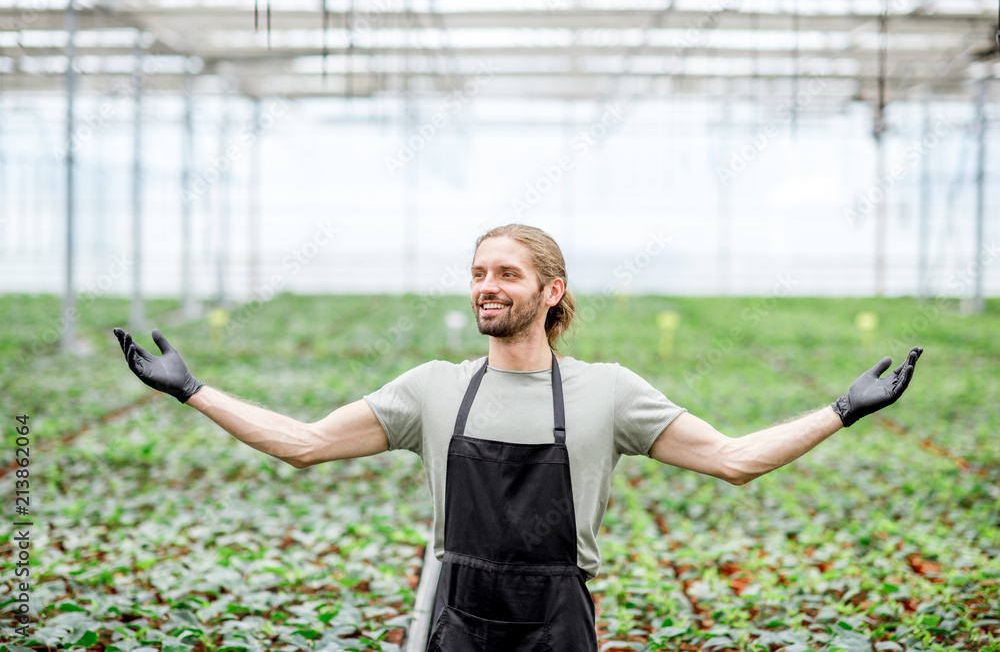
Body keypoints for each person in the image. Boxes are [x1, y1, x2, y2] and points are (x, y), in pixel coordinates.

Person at [113, 223, 923, 651]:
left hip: (557, 623)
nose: (486, 287)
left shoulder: (606, 391)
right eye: (476, 273)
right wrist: (192, 389)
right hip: (456, 620)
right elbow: (304, 442)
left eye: (505, 273)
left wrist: (842, 409)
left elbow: (734, 460)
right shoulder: (434, 387)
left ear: (550, 289)